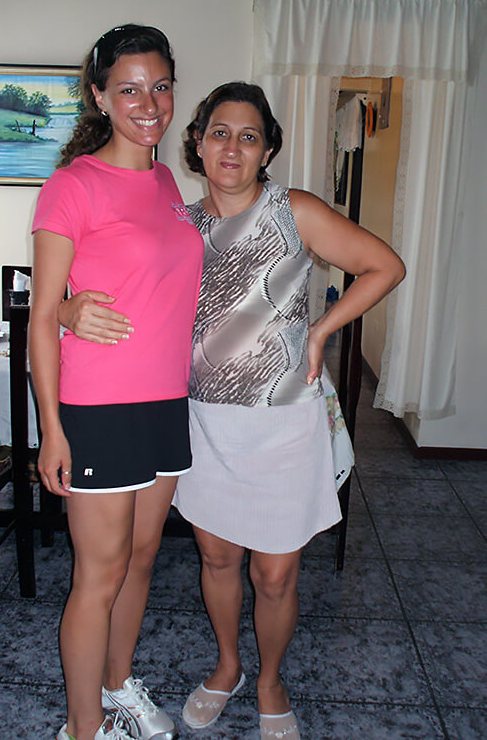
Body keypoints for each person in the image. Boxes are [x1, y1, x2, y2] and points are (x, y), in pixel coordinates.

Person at [59, 82, 405, 739]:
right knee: (217, 561)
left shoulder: (295, 210)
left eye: (249, 136)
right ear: (196, 140)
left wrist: (322, 329)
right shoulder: (181, 223)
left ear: (267, 148)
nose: (232, 147)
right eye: (220, 131)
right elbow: (111, 284)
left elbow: (384, 266)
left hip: (283, 421)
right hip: (206, 423)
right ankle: (227, 668)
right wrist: (65, 309)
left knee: (274, 576)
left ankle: (271, 680)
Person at [29, 25, 203, 740]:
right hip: (98, 407)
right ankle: (82, 729)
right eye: (129, 88)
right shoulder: (72, 185)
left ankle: (116, 684)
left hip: (166, 401)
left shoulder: (167, 181)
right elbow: (42, 318)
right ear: (100, 96)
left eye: (160, 85)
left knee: (141, 558)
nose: (149, 102)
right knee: (97, 577)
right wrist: (52, 431)